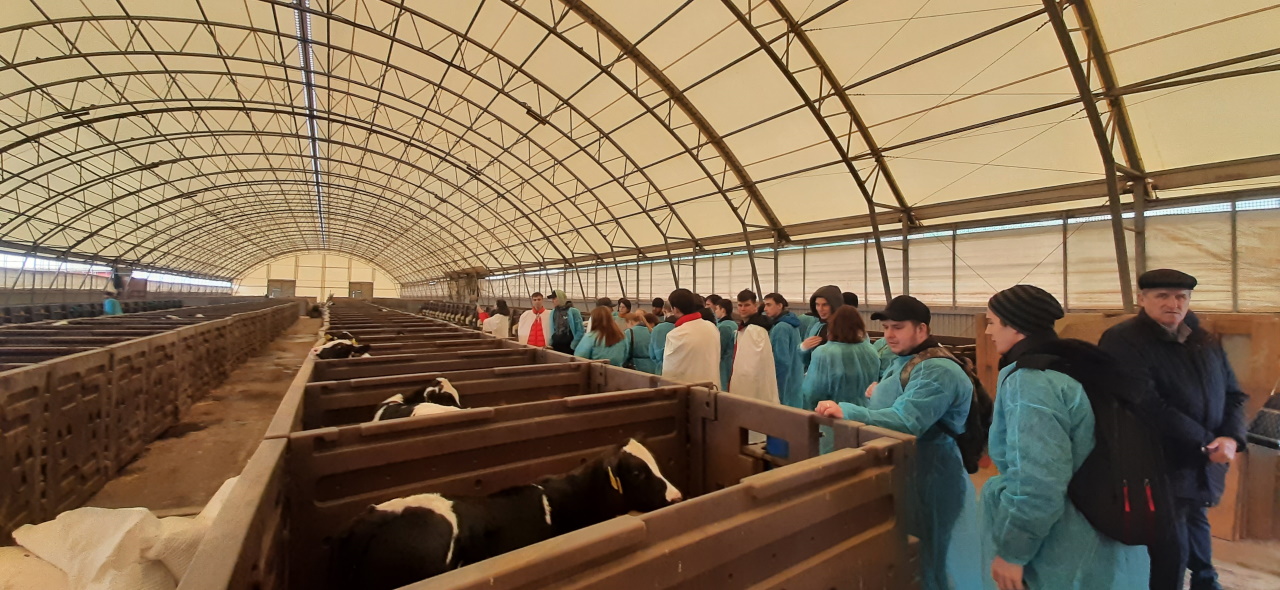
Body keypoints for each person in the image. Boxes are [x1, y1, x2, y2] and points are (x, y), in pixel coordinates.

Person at [982, 285, 1149, 590]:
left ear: (1015, 325)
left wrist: (1013, 552)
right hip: (1106, 521)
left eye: (992, 321)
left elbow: (1037, 482)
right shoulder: (1077, 362)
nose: (988, 331)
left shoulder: (1031, 382)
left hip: (1064, 541)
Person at [814, 295, 982, 590]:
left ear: (922, 330)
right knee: (914, 550)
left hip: (932, 473)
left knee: (933, 553)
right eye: (887, 326)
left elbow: (908, 421)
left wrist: (849, 410)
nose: (890, 334)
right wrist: (880, 391)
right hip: (911, 469)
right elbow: (905, 394)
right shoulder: (909, 360)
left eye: (899, 327)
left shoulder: (937, 369)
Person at [1099, 269, 1247, 590]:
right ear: (1142, 299)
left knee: (1196, 521)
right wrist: (1208, 443)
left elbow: (1234, 394)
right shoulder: (1123, 340)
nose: (1173, 303)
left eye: (1181, 296)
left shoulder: (1202, 338)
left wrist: (1231, 438)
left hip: (1200, 462)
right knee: (1171, 545)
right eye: (1162, 296)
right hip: (1157, 462)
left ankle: (1206, 581)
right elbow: (1145, 403)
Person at [799, 306, 880, 454]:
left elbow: (812, 391)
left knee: (833, 465)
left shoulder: (824, 353)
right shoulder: (871, 351)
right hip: (864, 417)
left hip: (832, 420)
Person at [661, 289, 721, 386]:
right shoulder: (712, 327)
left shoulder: (676, 335)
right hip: (712, 388)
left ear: (675, 309)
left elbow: (670, 372)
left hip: (689, 393)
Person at [762, 293, 804, 410]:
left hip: (785, 385)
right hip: (795, 380)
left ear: (780, 305)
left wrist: (777, 391)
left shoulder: (781, 328)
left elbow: (781, 361)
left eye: (769, 305)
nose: (765, 309)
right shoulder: (791, 324)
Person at [799, 285, 843, 371]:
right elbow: (806, 359)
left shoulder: (848, 327)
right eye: (817, 305)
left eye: (825, 305)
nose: (820, 309)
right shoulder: (817, 326)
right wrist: (803, 347)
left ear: (835, 305)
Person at [712, 299, 737, 389]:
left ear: (723, 310)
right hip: (731, 360)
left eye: (717, 309)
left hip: (724, 363)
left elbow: (720, 348)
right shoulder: (733, 324)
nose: (715, 312)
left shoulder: (724, 327)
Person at [650, 301, 679, 374]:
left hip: (662, 369)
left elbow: (652, 354)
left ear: (665, 311)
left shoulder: (658, 329)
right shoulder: (685, 326)